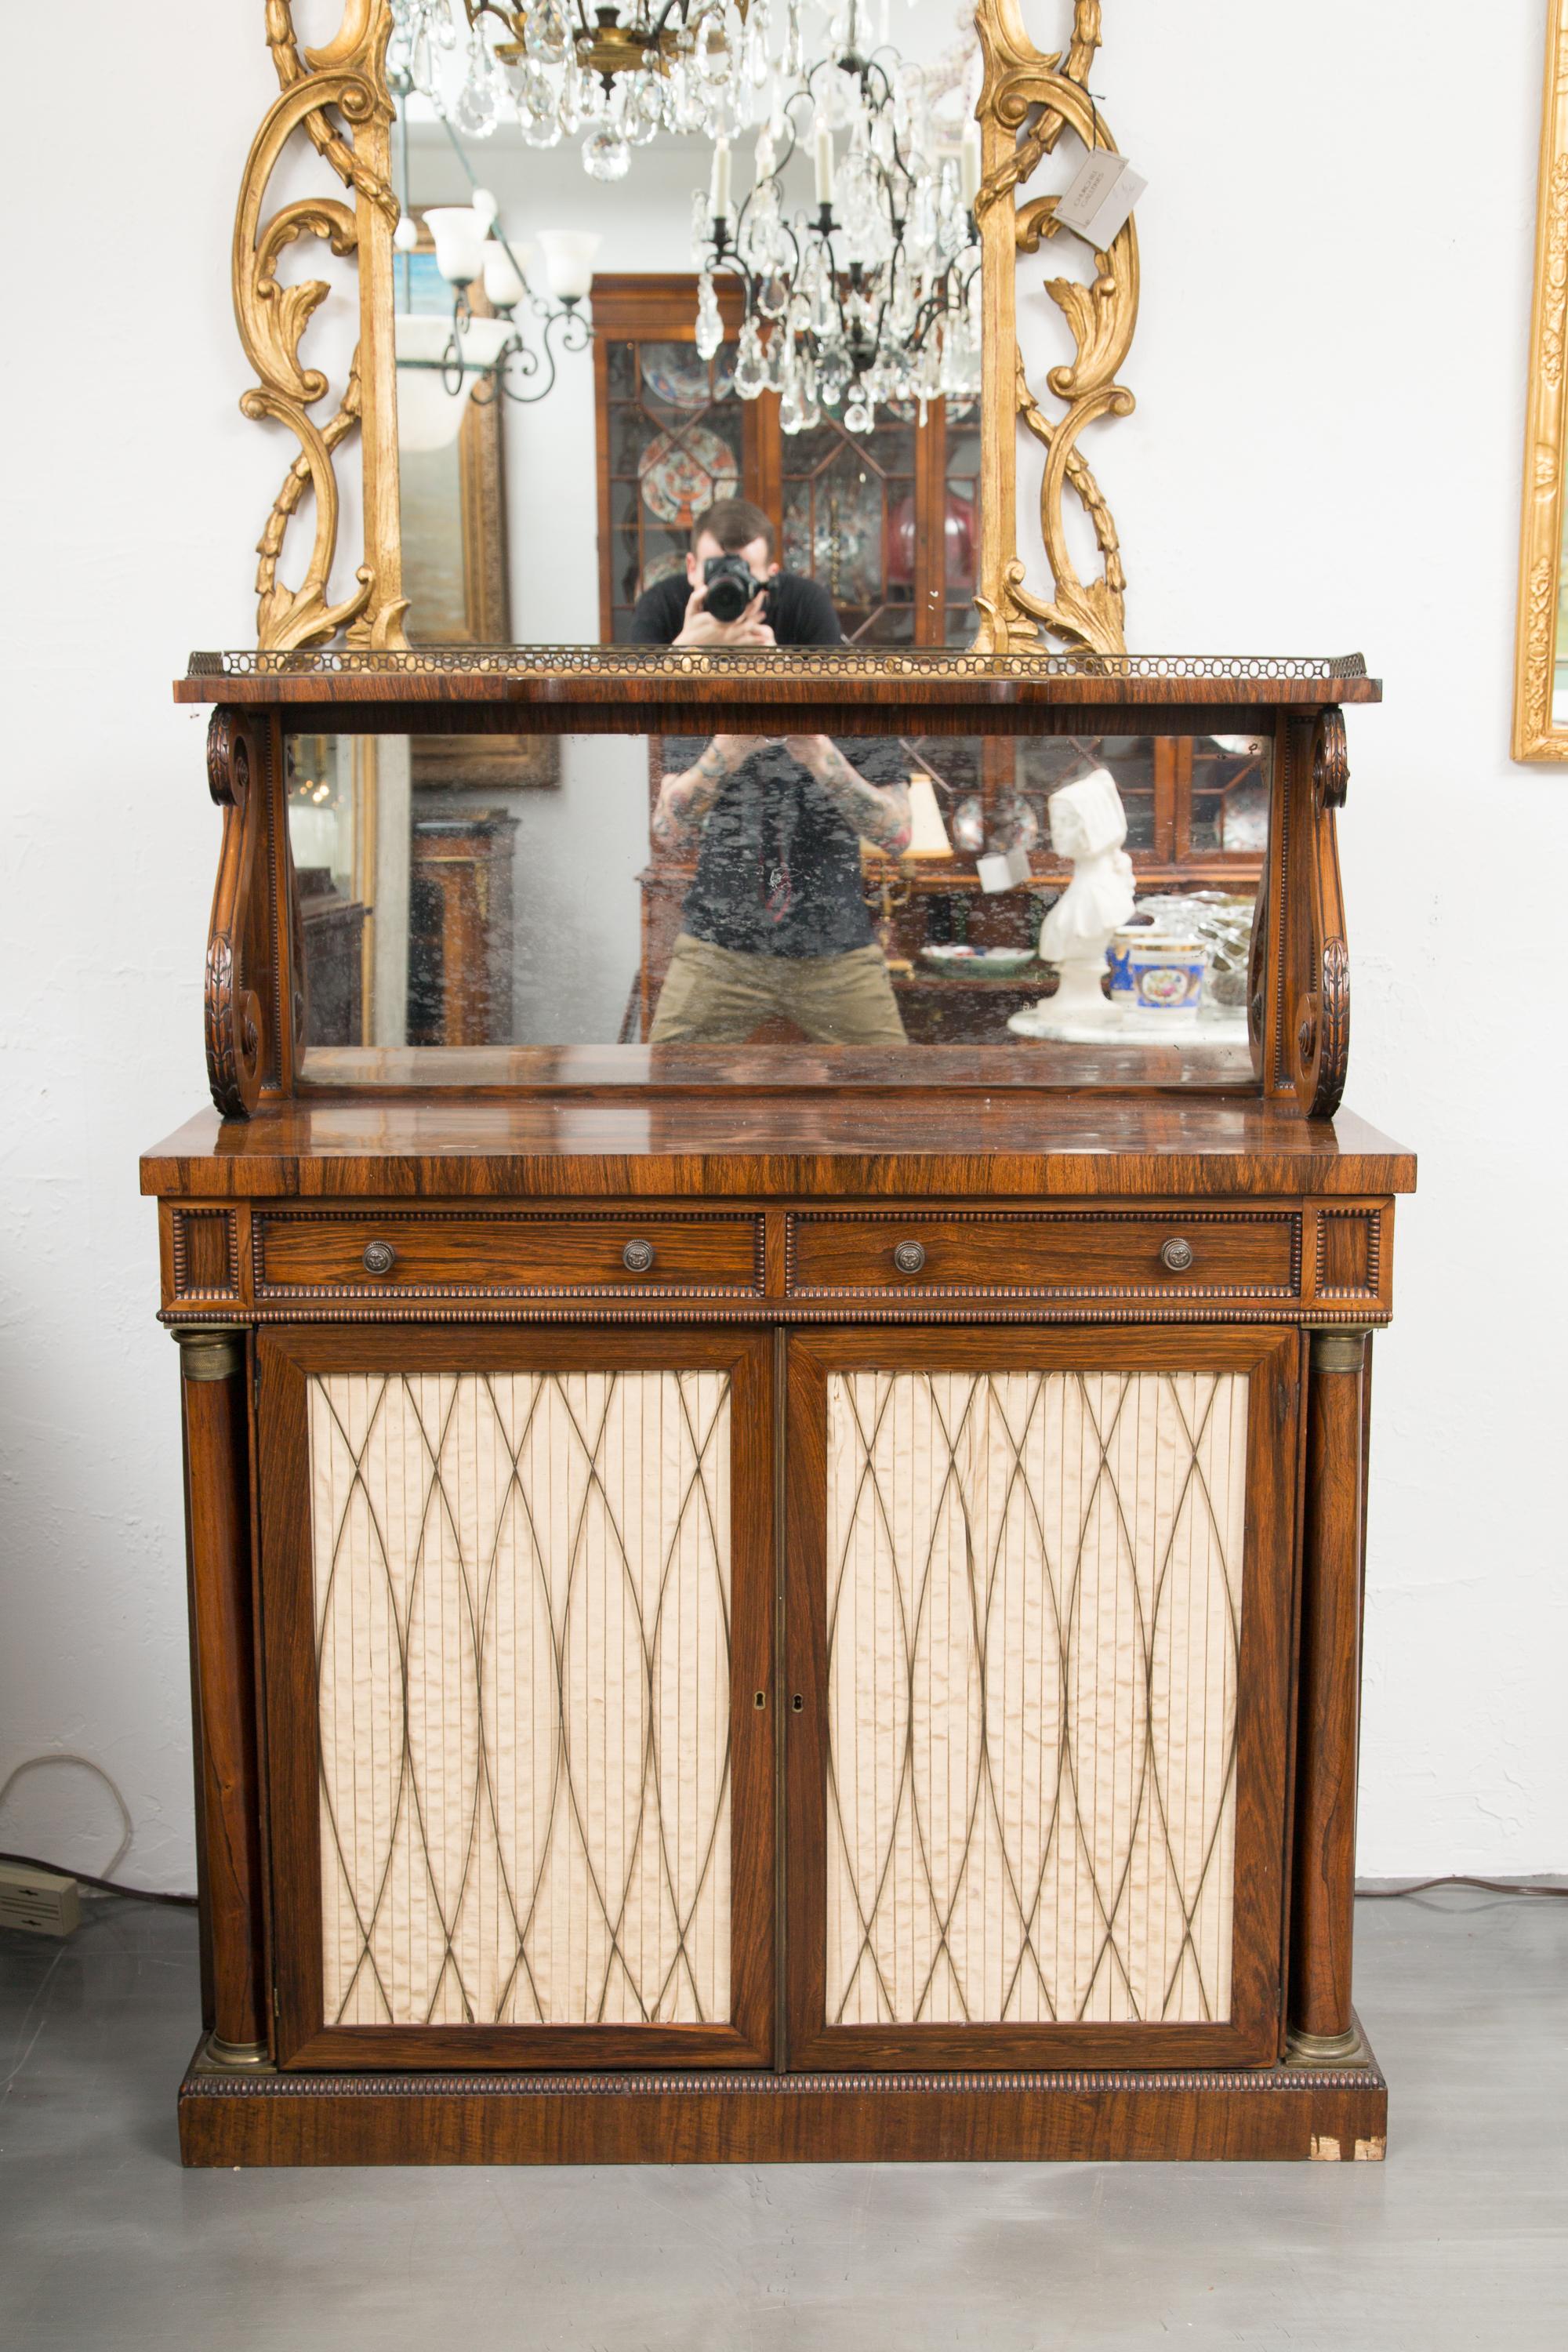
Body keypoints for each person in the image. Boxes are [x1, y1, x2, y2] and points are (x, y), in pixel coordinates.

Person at [629, 499, 910, 1046]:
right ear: (692, 572)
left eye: (743, 578)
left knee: (888, 1097)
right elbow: (668, 832)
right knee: (669, 1101)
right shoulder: (696, 684)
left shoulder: (852, 689)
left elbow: (898, 835)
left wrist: (820, 755)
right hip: (718, 944)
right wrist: (726, 744)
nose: (729, 590)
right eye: (715, 573)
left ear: (772, 583)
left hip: (836, 944)